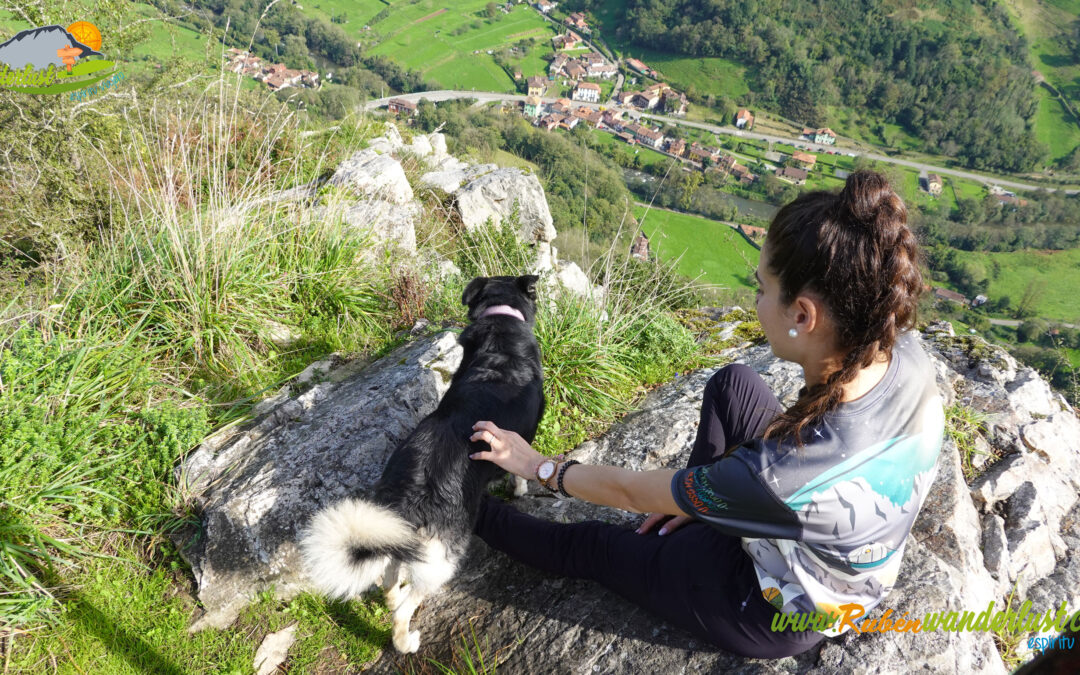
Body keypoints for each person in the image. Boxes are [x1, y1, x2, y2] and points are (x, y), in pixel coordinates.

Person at [467, 170, 945, 658]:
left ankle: (464, 511)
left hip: (774, 607)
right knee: (732, 384)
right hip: (823, 536)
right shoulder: (906, 353)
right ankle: (702, 512)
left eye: (761, 289)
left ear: (802, 315)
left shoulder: (778, 475)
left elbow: (629, 492)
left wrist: (538, 466)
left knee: (595, 547)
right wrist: (704, 500)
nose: (754, 300)